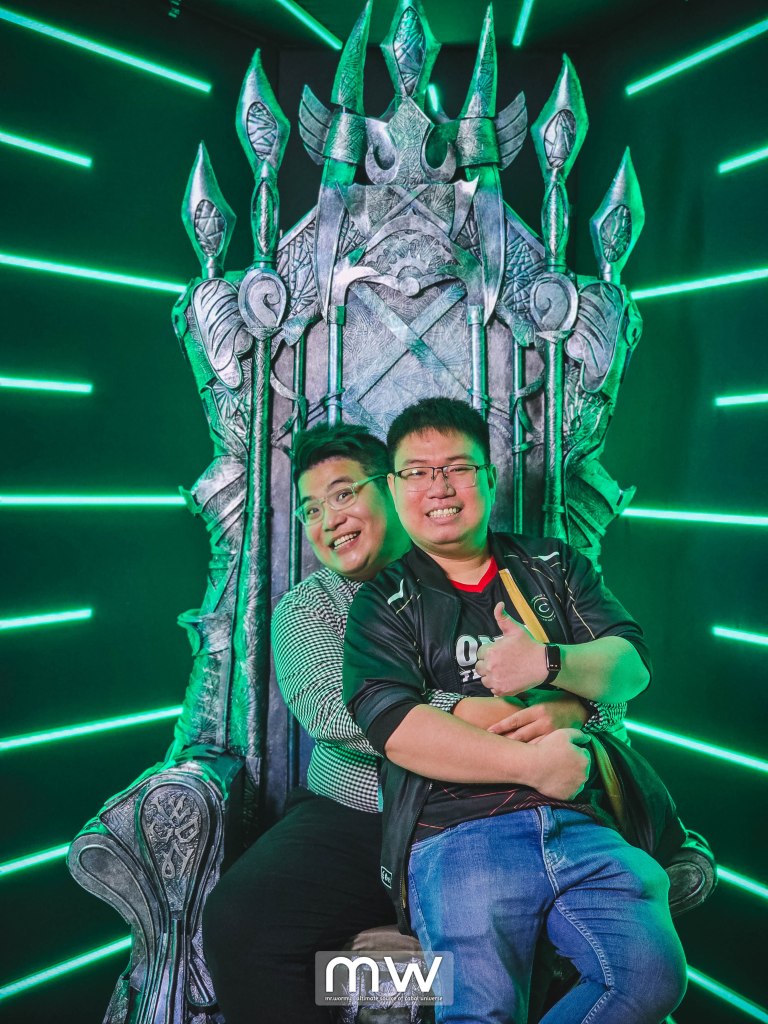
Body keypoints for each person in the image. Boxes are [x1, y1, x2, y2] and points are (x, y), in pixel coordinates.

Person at [202, 422, 618, 1023]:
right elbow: (339, 711)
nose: (328, 520)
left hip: (506, 805)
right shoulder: (310, 606)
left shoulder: (501, 568)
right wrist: (512, 713)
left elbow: (609, 684)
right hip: (362, 815)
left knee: (583, 949)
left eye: (344, 494)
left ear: (393, 491)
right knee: (242, 922)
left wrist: (572, 703)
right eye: (311, 510)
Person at [343, 397, 687, 1024]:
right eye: (417, 472)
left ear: (489, 477)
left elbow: (631, 666)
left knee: (649, 979)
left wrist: (546, 663)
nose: (439, 487)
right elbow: (395, 727)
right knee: (481, 1014)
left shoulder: (553, 564)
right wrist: (533, 766)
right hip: (457, 834)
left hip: (581, 821)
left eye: (458, 468)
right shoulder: (382, 602)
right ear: (393, 489)